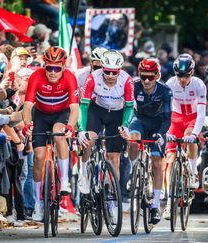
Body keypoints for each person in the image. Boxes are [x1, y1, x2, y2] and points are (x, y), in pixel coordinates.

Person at [21, 46, 79, 221]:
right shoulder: (36, 76)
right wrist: (27, 124)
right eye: (49, 68)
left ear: (63, 67)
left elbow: (75, 109)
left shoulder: (70, 77)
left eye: (57, 68)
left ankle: (65, 180)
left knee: (58, 133)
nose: (53, 72)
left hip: (62, 114)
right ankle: (38, 203)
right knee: (38, 157)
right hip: (41, 115)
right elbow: (28, 106)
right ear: (44, 66)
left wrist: (70, 126)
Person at [120, 58, 172, 225]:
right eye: (143, 77)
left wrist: (161, 133)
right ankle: (134, 170)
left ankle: (156, 205)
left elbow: (167, 118)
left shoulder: (165, 91)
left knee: (157, 164)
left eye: (151, 77)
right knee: (133, 138)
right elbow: (127, 108)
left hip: (158, 124)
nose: (147, 81)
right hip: (139, 121)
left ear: (157, 75)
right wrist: (125, 126)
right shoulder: (134, 86)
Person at [78, 50, 134, 188]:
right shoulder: (92, 78)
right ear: (102, 68)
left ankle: (112, 197)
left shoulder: (127, 80)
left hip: (117, 114)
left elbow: (129, 107)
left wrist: (125, 124)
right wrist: (81, 130)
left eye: (114, 72)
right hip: (96, 111)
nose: (110, 75)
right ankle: (83, 171)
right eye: (107, 71)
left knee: (114, 157)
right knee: (88, 140)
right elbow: (83, 106)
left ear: (120, 70)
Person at [163, 53, 207, 219]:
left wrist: (195, 133)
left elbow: (202, 114)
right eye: (179, 76)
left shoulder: (199, 85)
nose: (182, 79)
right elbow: (165, 112)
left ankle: (193, 171)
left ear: (192, 73)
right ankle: (168, 202)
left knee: (189, 137)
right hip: (175, 118)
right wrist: (165, 131)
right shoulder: (170, 84)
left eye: (186, 76)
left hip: (192, 119)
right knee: (170, 158)